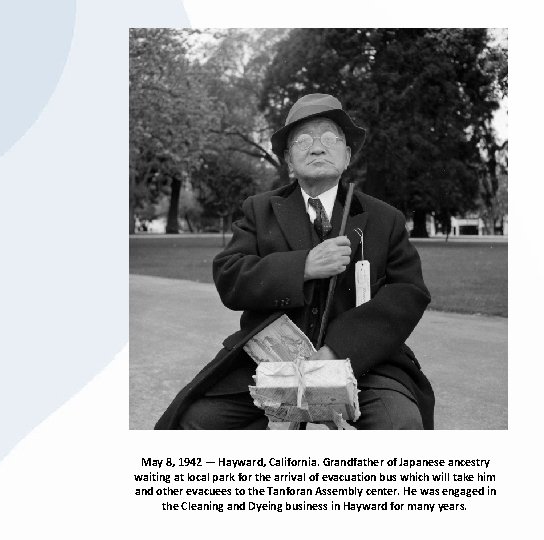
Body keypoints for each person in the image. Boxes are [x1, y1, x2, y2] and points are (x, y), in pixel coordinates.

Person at [155, 93, 434, 430]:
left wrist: (338, 349)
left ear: (347, 155)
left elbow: (408, 293)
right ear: (288, 159)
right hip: (270, 363)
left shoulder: (384, 218)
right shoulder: (259, 210)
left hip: (365, 363)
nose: (317, 148)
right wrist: (303, 266)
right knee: (192, 423)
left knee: (399, 425)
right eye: (303, 140)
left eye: (330, 138)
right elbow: (230, 275)